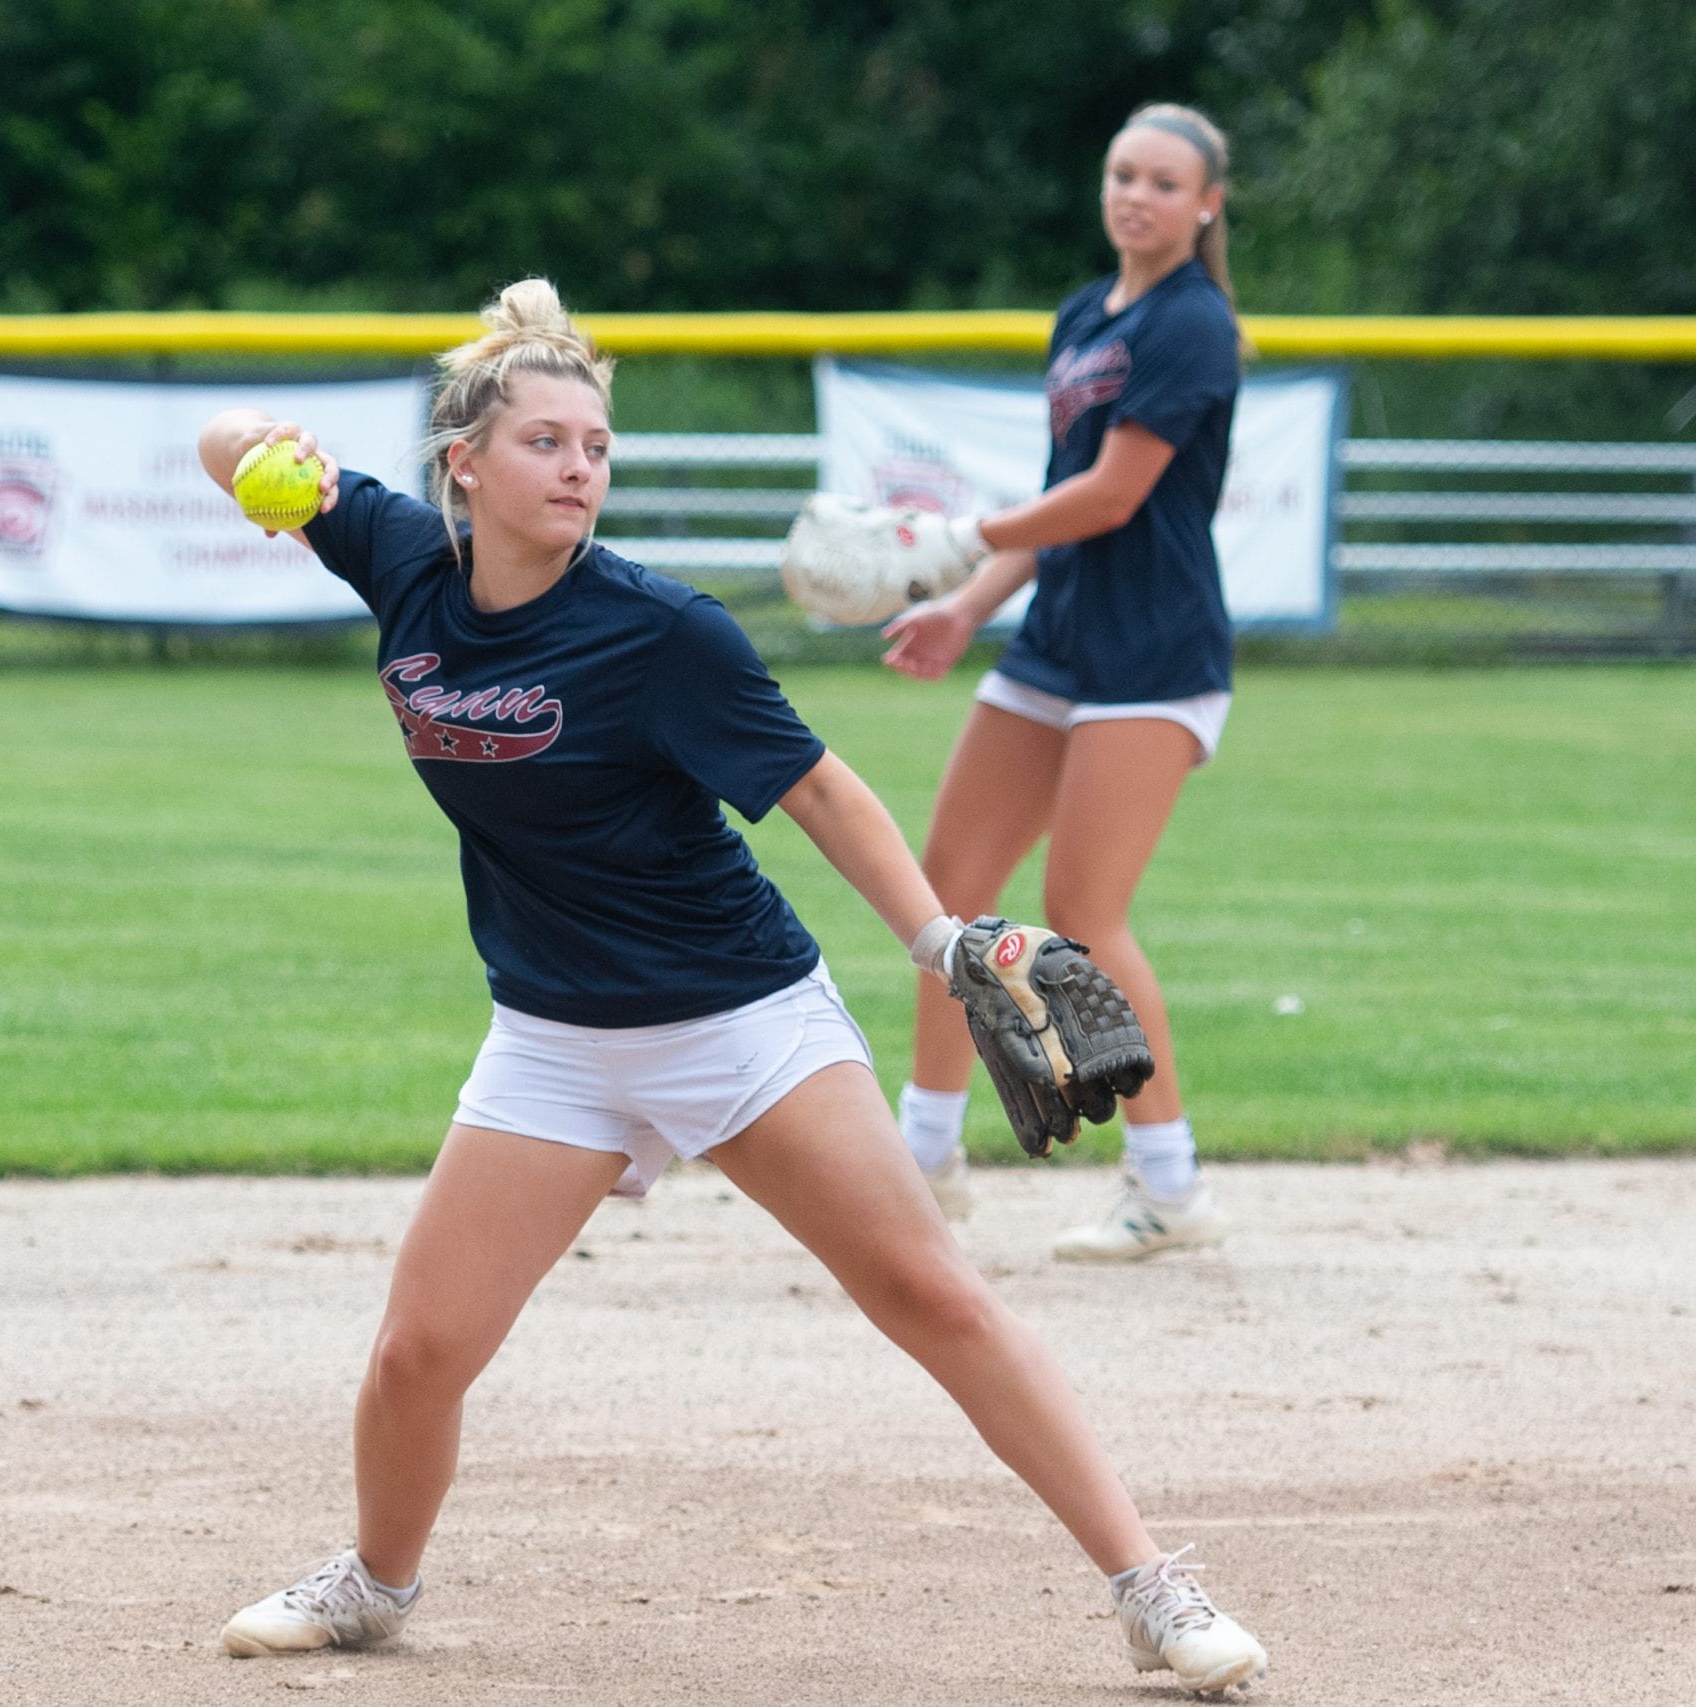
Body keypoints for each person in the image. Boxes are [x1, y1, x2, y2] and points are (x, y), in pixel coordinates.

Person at [193, 278, 1267, 1695]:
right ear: (466, 465)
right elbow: (221, 439)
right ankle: (377, 1582)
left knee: (930, 1296)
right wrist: (274, 467)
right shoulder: (399, 556)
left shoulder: (659, 632)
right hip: (554, 1041)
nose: (580, 466)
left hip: (737, 1020)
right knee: (418, 1349)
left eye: (595, 445)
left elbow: (820, 790)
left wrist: (938, 940)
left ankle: (1152, 1585)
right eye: (546, 441)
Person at [873, 104, 1246, 1263]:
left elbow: (1111, 497)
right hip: (1058, 640)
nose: (1136, 194)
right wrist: (965, 601)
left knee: (1085, 914)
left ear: (1205, 205)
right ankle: (926, 1158)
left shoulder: (1193, 323)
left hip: (1152, 650)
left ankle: (1169, 1186)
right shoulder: (1086, 316)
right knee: (946, 893)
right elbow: (1055, 500)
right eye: (1122, 172)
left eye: (1163, 180)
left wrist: (952, 535)